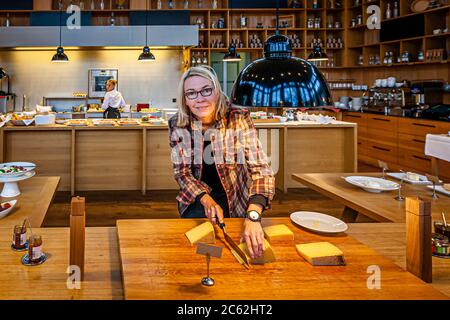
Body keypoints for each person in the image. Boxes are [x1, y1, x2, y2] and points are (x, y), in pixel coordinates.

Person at [168, 65, 275, 259]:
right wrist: (207, 200)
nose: (199, 98)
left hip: (237, 201)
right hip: (197, 200)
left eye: (206, 90)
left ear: (216, 90)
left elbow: (262, 170)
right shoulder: (178, 123)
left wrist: (253, 215)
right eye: (191, 93)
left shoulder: (237, 117)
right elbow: (182, 173)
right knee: (197, 258)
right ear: (185, 99)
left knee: (240, 256)